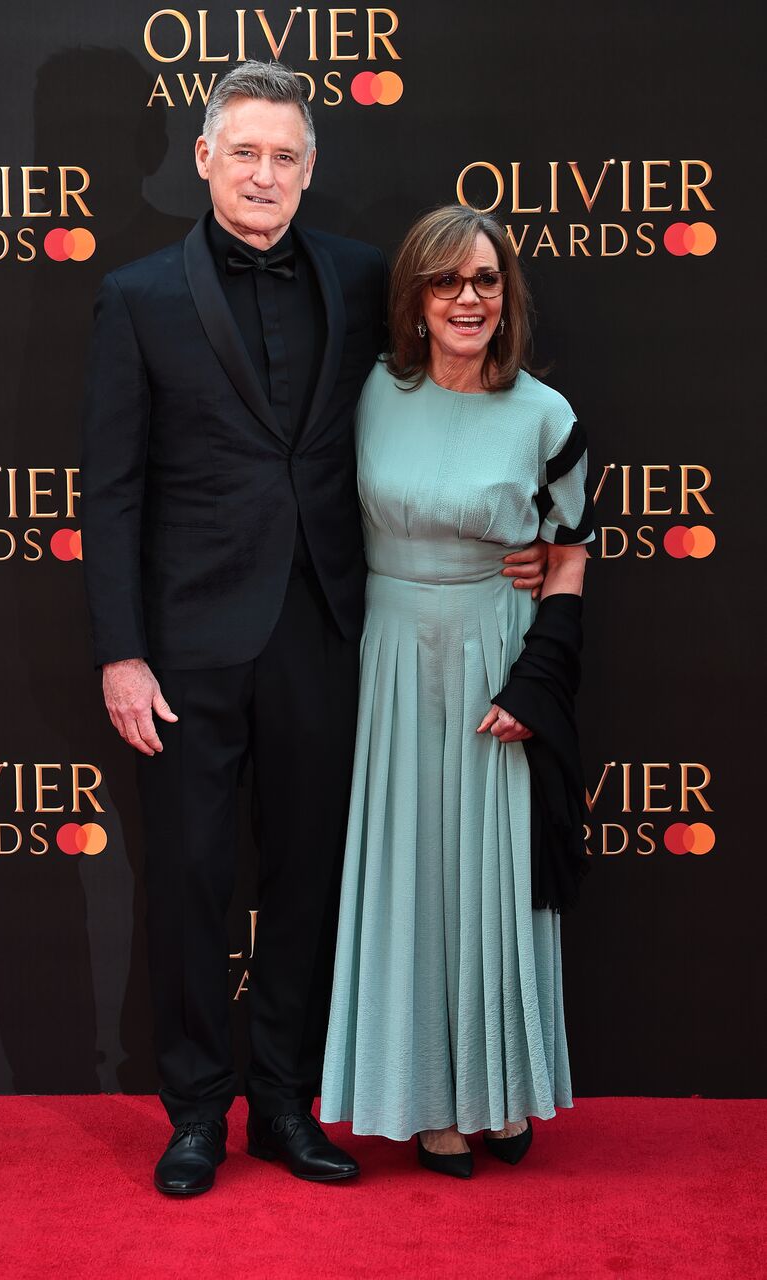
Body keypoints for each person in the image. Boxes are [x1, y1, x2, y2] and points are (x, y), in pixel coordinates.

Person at [81, 63, 545, 1196]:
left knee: (306, 876)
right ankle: (196, 1111)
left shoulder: (358, 278)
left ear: (310, 169)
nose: (265, 174)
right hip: (187, 643)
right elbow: (112, 489)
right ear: (203, 159)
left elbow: (457, 387)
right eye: (244, 152)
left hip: (331, 629)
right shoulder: (137, 296)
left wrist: (517, 538)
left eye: (286, 156)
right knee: (188, 877)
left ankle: (285, 1100)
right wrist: (121, 649)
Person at [321, 205, 593, 1177]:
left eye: (485, 280)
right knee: (413, 875)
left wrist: (537, 677)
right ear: (417, 297)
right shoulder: (367, 395)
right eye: (448, 281)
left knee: (494, 879)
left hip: (496, 654)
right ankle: (428, 1099)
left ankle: (501, 1087)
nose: (468, 297)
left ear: (506, 294)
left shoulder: (544, 414)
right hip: (388, 659)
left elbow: (567, 557)